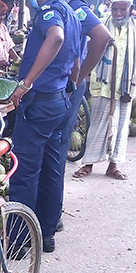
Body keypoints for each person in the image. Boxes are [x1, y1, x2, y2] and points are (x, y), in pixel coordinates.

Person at [8, 0, 81, 253]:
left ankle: (18, 241)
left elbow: (56, 38)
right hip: (59, 100)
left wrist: (26, 83)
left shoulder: (51, 12)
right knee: (52, 169)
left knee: (25, 171)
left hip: (40, 103)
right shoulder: (72, 14)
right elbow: (76, 60)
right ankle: (46, 234)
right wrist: (71, 86)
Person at [53, 0, 111, 231]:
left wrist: (78, 79)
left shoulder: (76, 7)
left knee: (56, 150)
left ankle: (53, 216)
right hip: (64, 83)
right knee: (53, 151)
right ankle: (50, 216)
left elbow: (102, 36)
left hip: (65, 87)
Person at [72, 0, 135, 181]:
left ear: (130, 9)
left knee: (121, 126)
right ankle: (88, 163)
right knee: (98, 124)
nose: (118, 13)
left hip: (126, 87)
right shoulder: (100, 24)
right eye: (115, 9)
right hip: (102, 83)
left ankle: (113, 165)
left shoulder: (134, 28)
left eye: (123, 9)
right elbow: (88, 48)